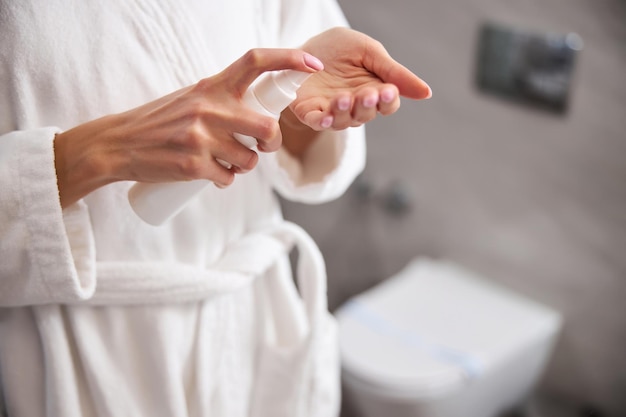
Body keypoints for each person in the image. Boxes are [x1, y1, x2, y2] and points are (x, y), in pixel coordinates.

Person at [0, 1, 431, 416]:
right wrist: (100, 152)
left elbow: (294, 128)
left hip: (252, 317)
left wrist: (294, 117)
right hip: (84, 341)